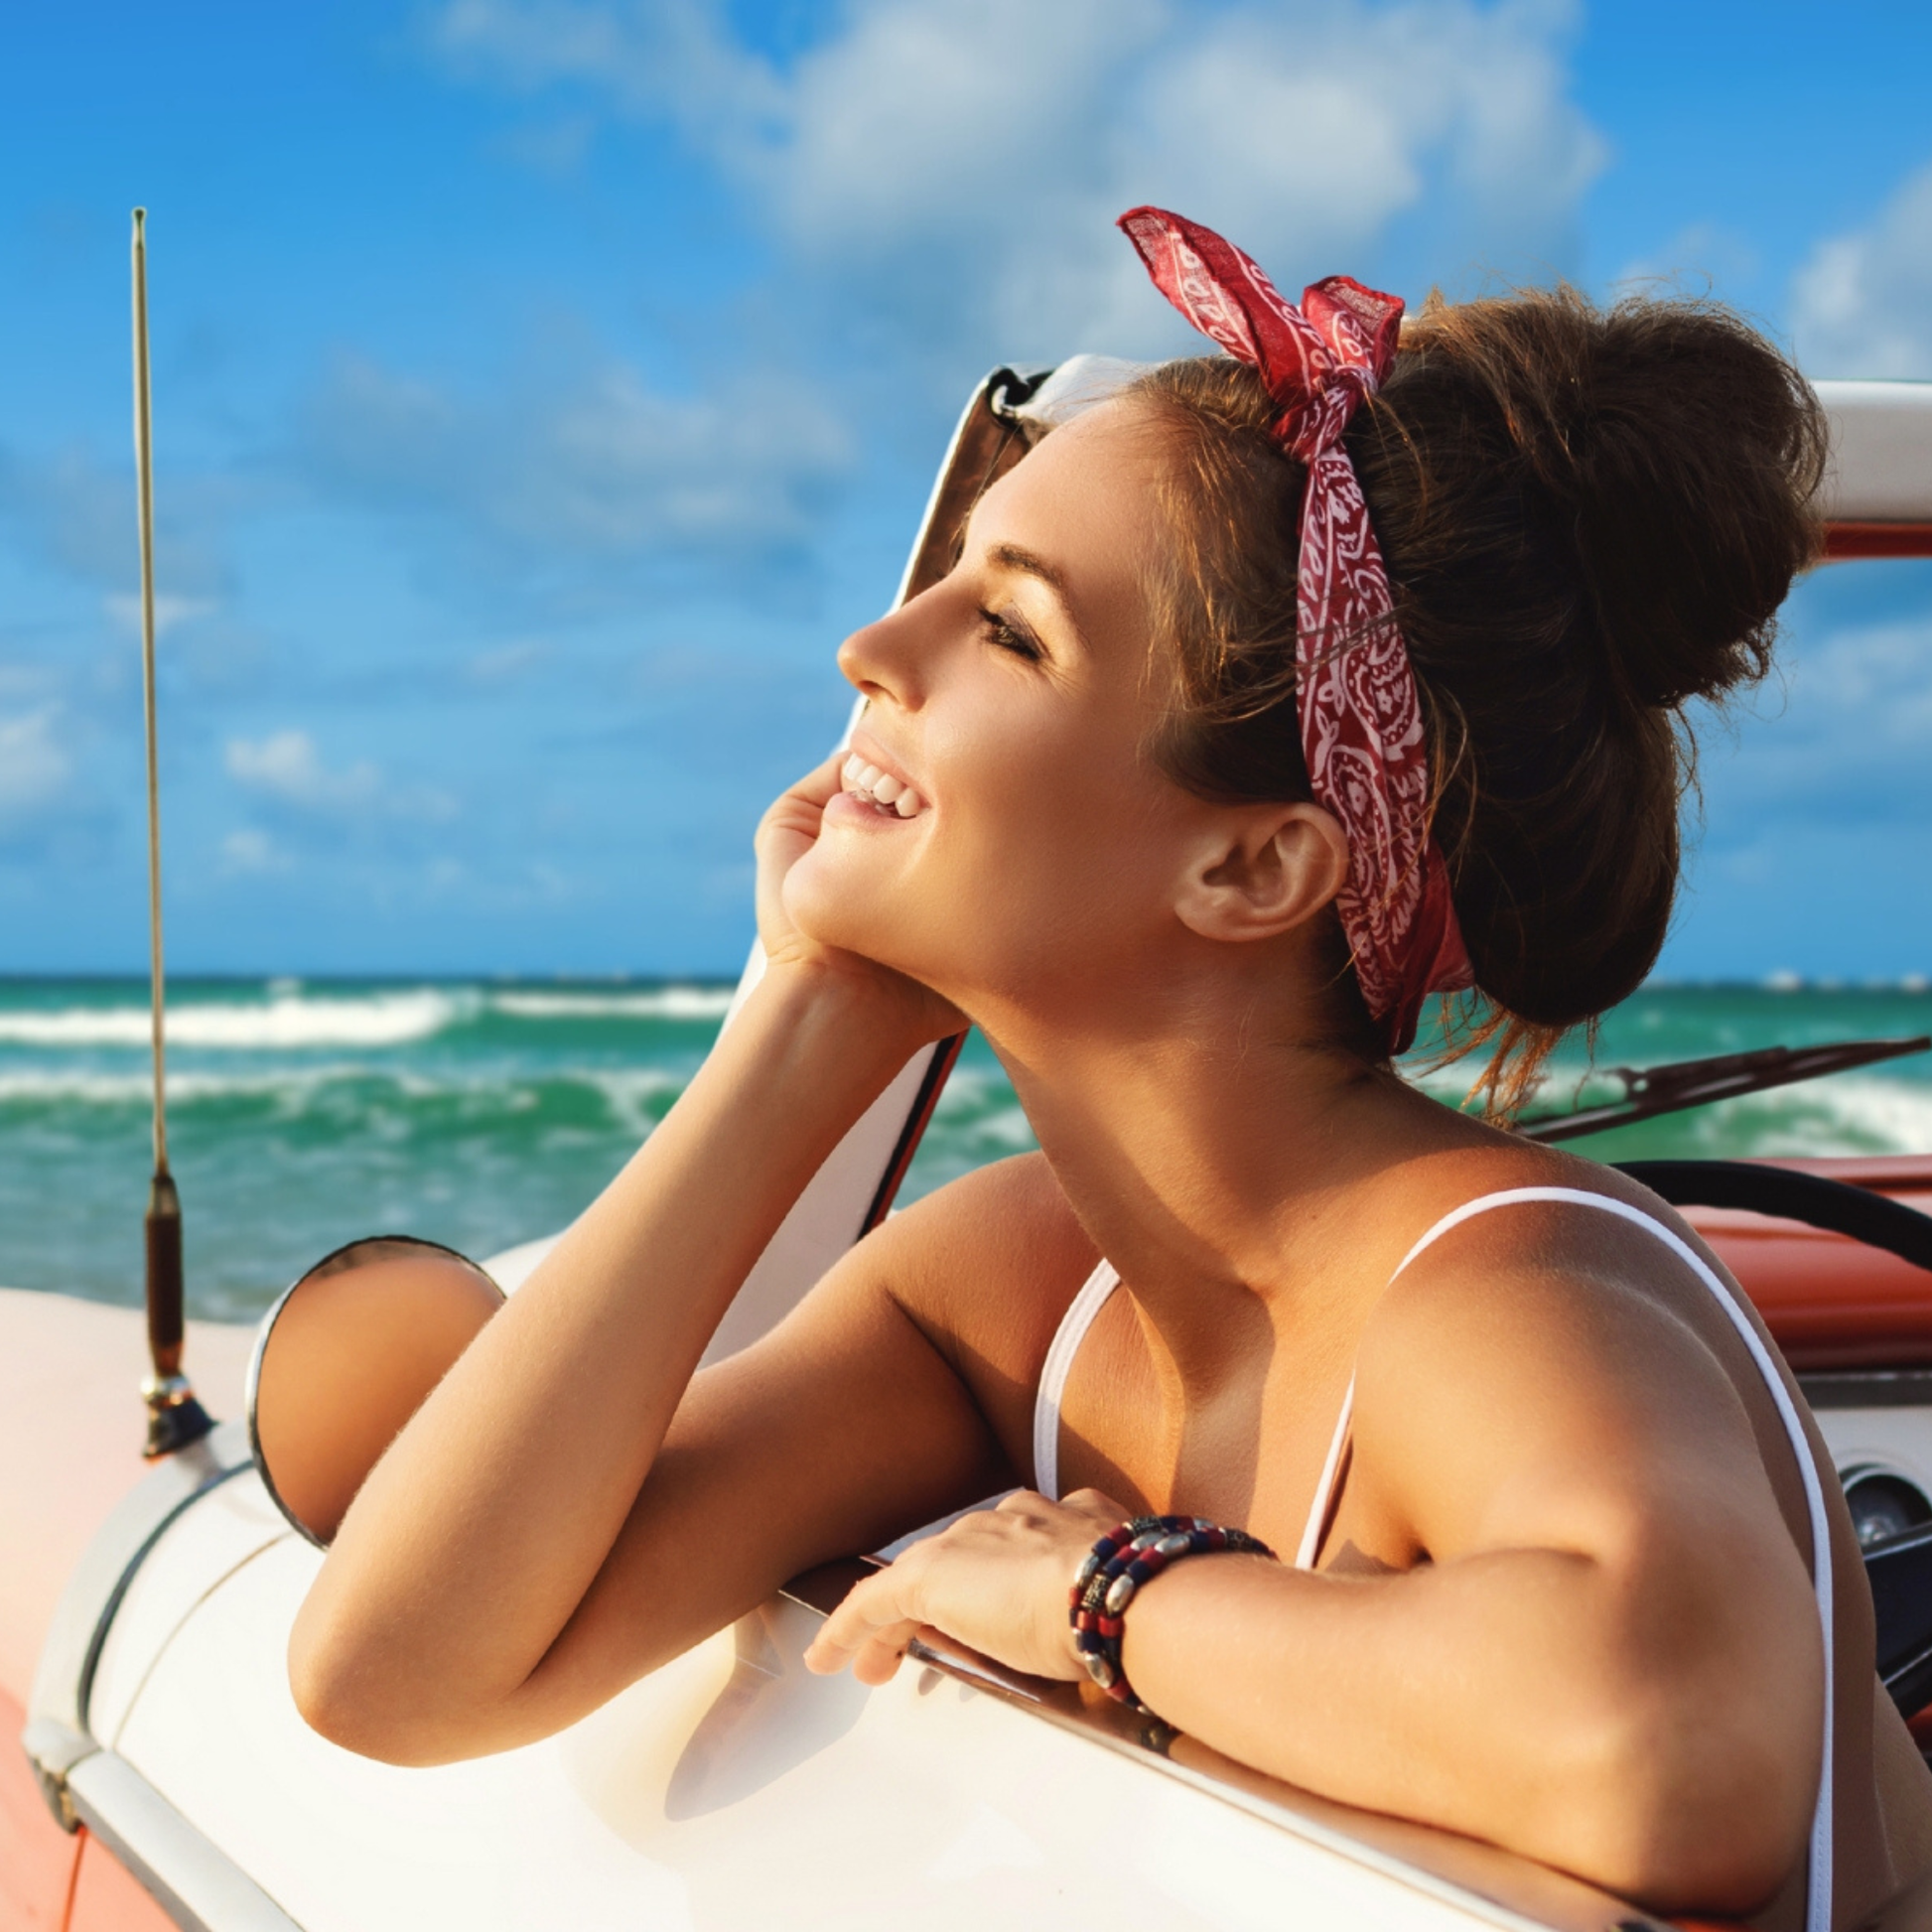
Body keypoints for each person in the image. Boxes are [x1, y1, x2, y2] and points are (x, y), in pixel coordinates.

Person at [287, 208, 1932, 1928]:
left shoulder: (1506, 1275)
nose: (872, 649)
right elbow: (400, 1672)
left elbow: (1676, 1749)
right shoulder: (1015, 1288)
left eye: (1007, 631)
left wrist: (1102, 1588)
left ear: (1250, 867)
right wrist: (803, 1023)